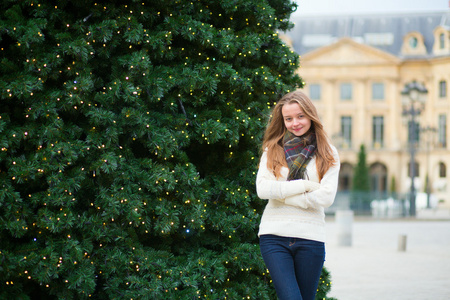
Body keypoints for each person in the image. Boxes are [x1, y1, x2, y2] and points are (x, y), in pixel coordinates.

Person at [256, 90, 340, 300]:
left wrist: (281, 194)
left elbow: (326, 197)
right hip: (274, 236)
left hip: (310, 237)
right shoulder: (272, 150)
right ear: (282, 120)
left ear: (311, 116)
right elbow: (263, 190)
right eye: (288, 118)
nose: (295, 123)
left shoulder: (328, 152)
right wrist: (306, 185)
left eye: (300, 116)